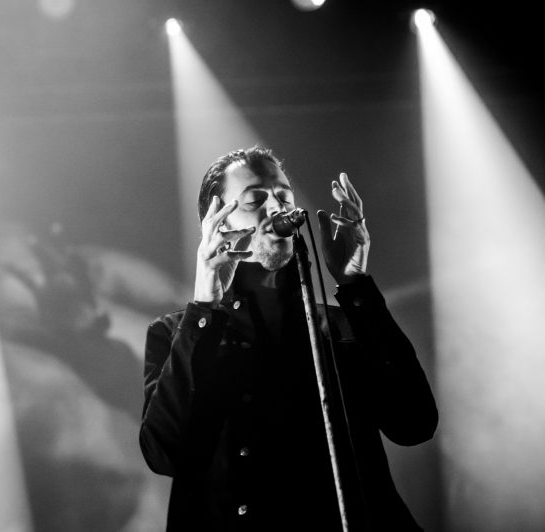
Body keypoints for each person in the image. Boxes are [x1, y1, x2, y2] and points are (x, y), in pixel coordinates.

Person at [139, 146, 438, 531]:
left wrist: (355, 285)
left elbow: (414, 423)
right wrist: (204, 306)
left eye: (283, 197)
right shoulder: (175, 333)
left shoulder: (343, 325)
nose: (276, 208)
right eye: (255, 200)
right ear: (217, 224)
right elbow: (162, 454)